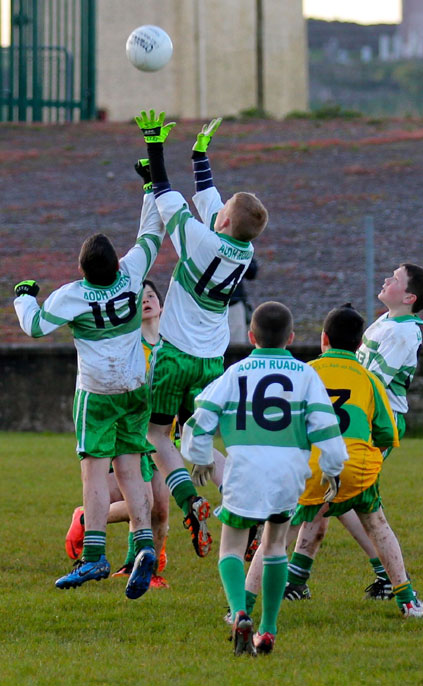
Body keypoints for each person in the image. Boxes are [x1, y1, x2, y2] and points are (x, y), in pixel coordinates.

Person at [14, 181, 165, 600]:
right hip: (135, 388)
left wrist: (24, 297)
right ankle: (144, 548)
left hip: (97, 392)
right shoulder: (133, 274)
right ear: (118, 265)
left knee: (95, 472)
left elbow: (35, 326)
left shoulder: (74, 295)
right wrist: (150, 190)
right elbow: (151, 236)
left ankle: (95, 556)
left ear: (82, 271)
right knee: (131, 470)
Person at [134, 110, 269, 558]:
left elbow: (167, 197)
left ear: (224, 221)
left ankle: (189, 500)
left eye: (224, 209)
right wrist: (199, 153)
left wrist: (154, 144)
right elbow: (206, 196)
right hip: (213, 360)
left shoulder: (200, 239)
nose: (218, 206)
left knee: (156, 435)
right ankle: (249, 514)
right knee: (203, 437)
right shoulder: (242, 248)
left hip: (175, 353)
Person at [181, 301, 348, 656]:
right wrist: (333, 467)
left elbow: (202, 413)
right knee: (274, 546)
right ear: (290, 337)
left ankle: (241, 611)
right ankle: (268, 629)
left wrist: (198, 457)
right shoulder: (306, 375)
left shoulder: (235, 372)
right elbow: (325, 424)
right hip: (289, 473)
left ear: (251, 336)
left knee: (231, 547)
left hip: (245, 471)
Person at [245, 303, 423, 618]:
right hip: (355, 464)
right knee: (377, 525)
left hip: (311, 467)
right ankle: (407, 601)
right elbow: (386, 432)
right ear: (359, 345)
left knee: (277, 537)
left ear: (323, 339)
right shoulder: (368, 379)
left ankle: (241, 608)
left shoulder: (303, 372)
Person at [285, 263, 423, 602]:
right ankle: (298, 579)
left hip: (376, 419)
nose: (387, 280)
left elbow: (370, 381)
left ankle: (302, 578)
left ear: (410, 297)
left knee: (339, 492)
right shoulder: (387, 321)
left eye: (395, 280)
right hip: (358, 416)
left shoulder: (404, 333)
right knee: (335, 491)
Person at [64, 278, 171, 589]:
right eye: (141, 298)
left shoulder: (171, 346)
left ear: (162, 305)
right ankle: (90, 522)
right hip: (134, 434)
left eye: (152, 296)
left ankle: (141, 567)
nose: (148, 300)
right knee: (145, 499)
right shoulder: (130, 346)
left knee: (160, 507)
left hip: (163, 436)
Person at [228, 257, 258, 344]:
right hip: (207, 305)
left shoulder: (238, 245)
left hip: (233, 303)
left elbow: (252, 272)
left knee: (236, 345)